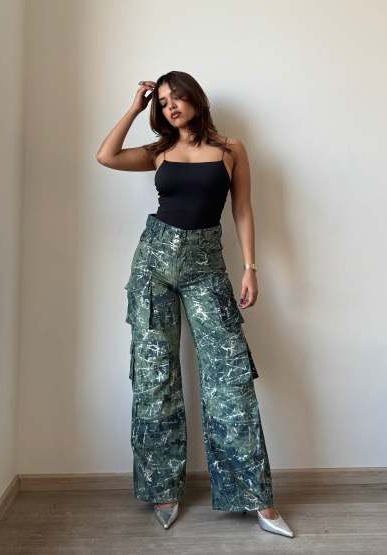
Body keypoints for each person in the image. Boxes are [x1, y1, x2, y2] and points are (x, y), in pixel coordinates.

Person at [96, 71, 294, 538]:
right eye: (162, 102)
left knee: (230, 380)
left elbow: (242, 209)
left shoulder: (231, 149)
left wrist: (250, 267)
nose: (170, 106)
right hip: (153, 265)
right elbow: (106, 156)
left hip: (207, 267)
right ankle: (163, 488)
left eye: (177, 97)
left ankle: (257, 498)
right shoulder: (159, 151)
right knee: (155, 377)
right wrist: (134, 106)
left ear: (195, 98)